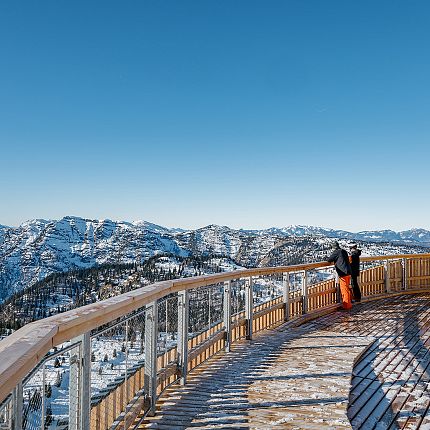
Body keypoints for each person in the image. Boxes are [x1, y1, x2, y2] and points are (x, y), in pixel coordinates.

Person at [327, 241, 352, 310]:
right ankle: (348, 304)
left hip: (343, 273)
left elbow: (329, 260)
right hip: (348, 272)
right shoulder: (343, 251)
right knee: (347, 288)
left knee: (344, 290)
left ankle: (347, 306)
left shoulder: (336, 252)